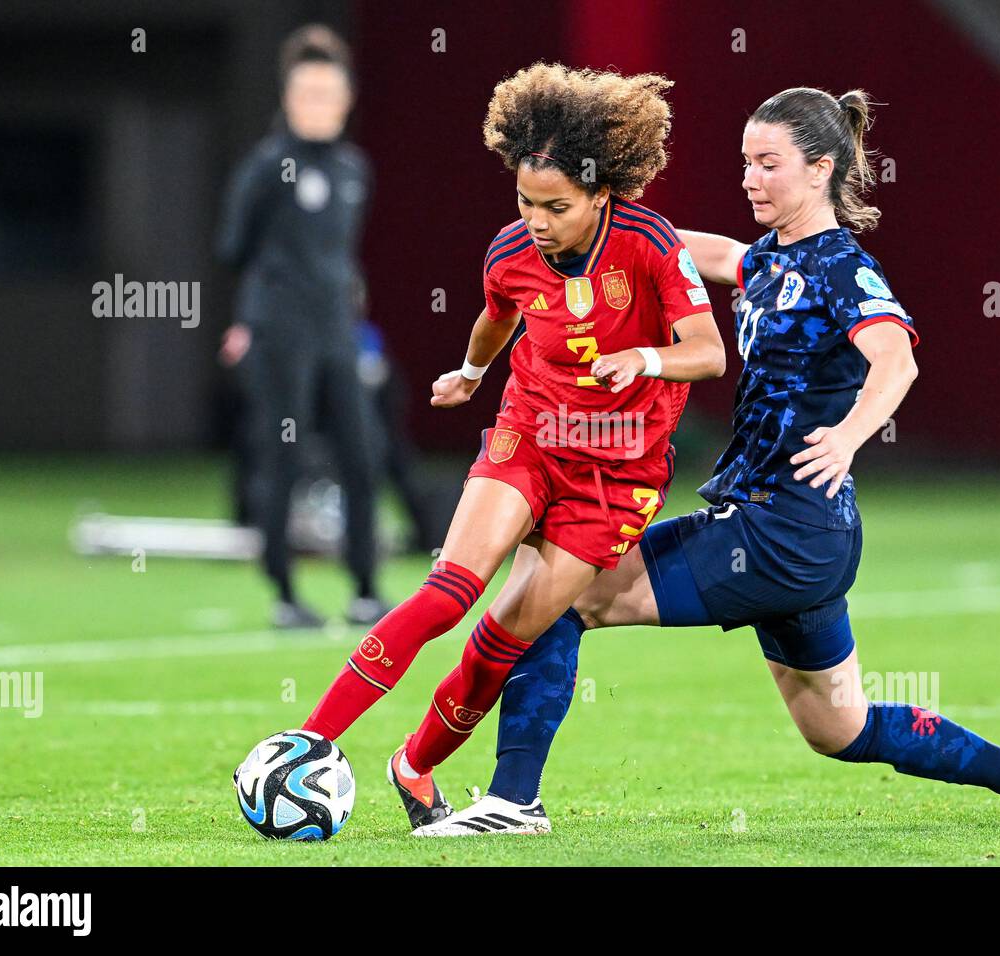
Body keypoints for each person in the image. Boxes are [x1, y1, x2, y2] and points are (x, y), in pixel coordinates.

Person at [409, 87, 1000, 836]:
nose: (750, 177)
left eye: (768, 163)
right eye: (745, 161)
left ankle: (512, 802)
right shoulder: (775, 258)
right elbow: (705, 253)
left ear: (819, 169)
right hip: (802, 539)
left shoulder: (841, 266)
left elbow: (895, 360)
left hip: (779, 531)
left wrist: (848, 437)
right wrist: (586, 222)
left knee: (560, 596)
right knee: (838, 730)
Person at [299, 63, 727, 828]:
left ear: (601, 195)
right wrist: (470, 372)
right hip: (530, 438)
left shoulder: (651, 244)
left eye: (556, 207)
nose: (537, 219)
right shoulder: (509, 251)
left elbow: (708, 351)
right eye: (526, 201)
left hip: (619, 475)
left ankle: (415, 765)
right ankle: (308, 744)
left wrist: (647, 359)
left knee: (505, 637)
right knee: (447, 593)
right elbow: (497, 313)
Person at [216, 25, 385, 628]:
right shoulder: (267, 166)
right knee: (281, 454)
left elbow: (340, 254)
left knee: (363, 455)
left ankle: (366, 588)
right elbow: (233, 247)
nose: (318, 104)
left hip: (336, 329)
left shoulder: (353, 169)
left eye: (329, 93)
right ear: (288, 99)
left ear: (346, 100)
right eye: (306, 93)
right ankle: (284, 594)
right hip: (279, 329)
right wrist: (248, 319)